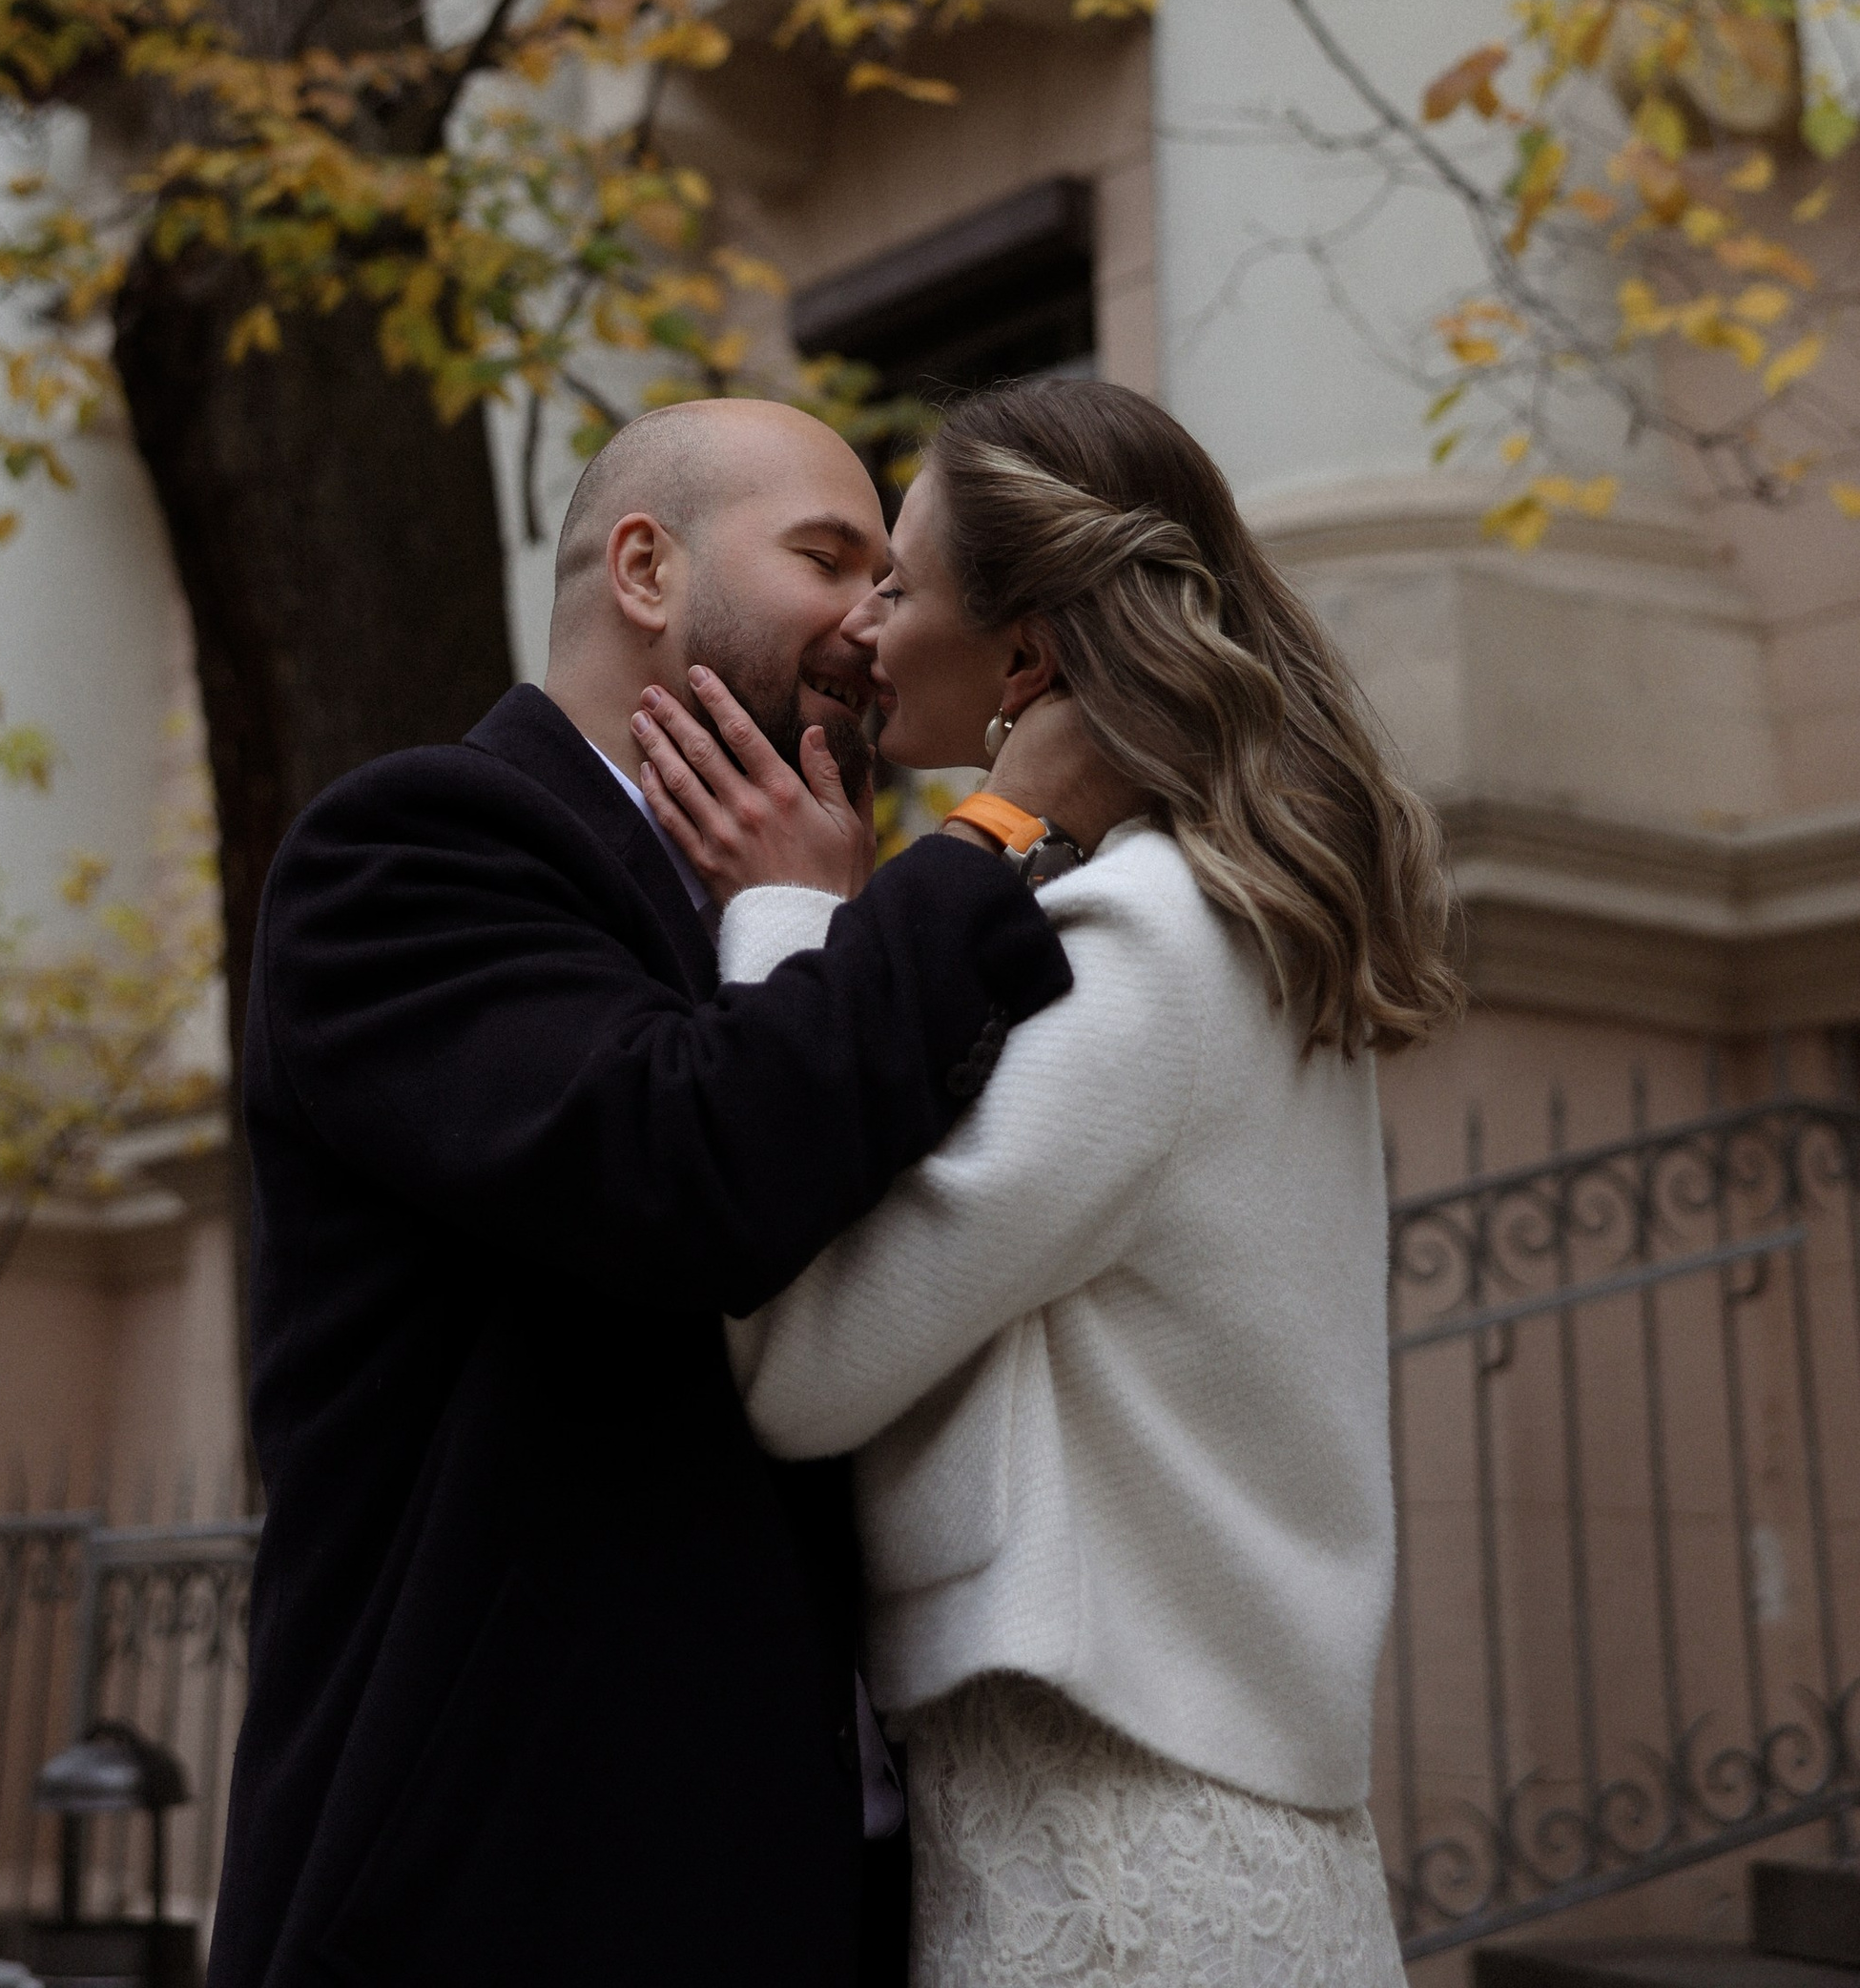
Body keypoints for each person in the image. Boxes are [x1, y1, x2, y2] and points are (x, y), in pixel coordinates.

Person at [209, 394, 1073, 1988]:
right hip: (508, 1896)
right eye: (831, 558)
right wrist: (994, 837)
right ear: (645, 570)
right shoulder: (413, 853)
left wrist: (827, 925)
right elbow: (690, 1177)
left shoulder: (815, 915)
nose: (876, 621)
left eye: (896, 580)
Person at [634, 376, 1462, 1988]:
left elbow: (803, 1367)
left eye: (902, 582)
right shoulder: (1227, 927)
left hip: (1115, 1873)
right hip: (1173, 1838)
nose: (867, 622)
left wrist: (790, 927)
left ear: (1024, 656)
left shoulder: (1138, 945)